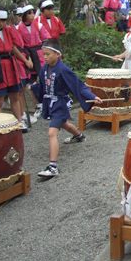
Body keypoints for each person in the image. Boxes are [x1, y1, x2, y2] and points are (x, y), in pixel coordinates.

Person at [31, 39, 102, 177]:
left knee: (52, 132)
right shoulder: (45, 68)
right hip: (50, 103)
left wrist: (92, 97)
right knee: (63, 124)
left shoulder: (63, 69)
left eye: (48, 54)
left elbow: (77, 84)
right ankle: (78, 136)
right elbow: (42, 85)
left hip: (60, 104)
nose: (45, 57)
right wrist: (34, 88)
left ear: (57, 54)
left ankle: (53, 166)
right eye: (44, 54)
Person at [0, 6, 31, 130]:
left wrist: (24, 60)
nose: (0, 23)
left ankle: (19, 121)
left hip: (10, 64)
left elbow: (14, 46)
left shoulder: (8, 30)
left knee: (15, 95)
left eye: (3, 20)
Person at [17, 4, 51, 122]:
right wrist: (26, 58)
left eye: (32, 13)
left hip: (39, 53)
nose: (32, 15)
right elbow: (19, 45)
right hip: (27, 54)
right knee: (30, 80)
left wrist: (46, 53)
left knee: (44, 78)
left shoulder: (38, 25)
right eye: (29, 13)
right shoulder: (18, 28)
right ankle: (38, 104)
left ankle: (47, 103)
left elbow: (47, 39)